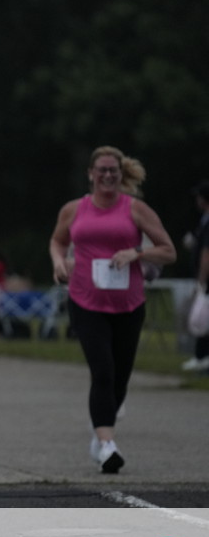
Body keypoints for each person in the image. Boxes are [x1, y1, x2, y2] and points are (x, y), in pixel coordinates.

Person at [49, 145, 175, 474]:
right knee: (102, 370)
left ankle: (100, 432)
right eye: (102, 170)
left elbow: (168, 251)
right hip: (85, 301)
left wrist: (137, 254)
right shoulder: (74, 210)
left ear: (121, 174)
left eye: (113, 171)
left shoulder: (136, 209)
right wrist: (59, 262)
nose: (107, 175)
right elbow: (58, 240)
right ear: (90, 174)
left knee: (119, 377)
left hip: (128, 304)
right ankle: (107, 445)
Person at [181, 181, 209, 371]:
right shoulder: (203, 221)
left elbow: (207, 253)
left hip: (207, 280)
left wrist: (202, 280)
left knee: (202, 316)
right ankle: (201, 355)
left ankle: (202, 356)